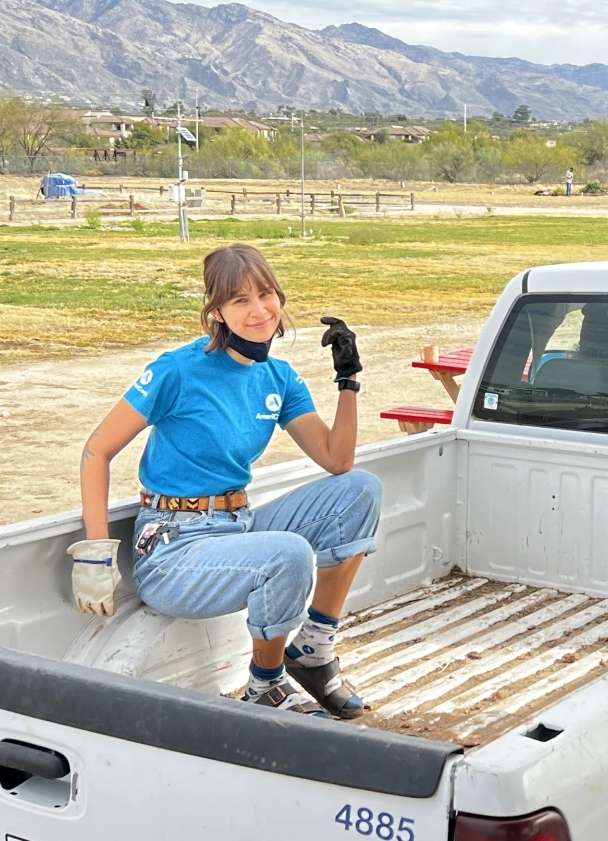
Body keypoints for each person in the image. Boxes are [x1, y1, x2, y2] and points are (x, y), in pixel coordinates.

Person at [69, 243, 381, 718]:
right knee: (290, 553)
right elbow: (97, 449)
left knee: (360, 490)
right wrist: (95, 551)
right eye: (240, 301)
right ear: (216, 311)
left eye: (266, 294)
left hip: (237, 523)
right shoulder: (178, 369)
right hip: (174, 549)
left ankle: (313, 650)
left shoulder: (277, 377)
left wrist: (348, 380)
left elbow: (336, 460)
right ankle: (266, 686)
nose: (259, 311)